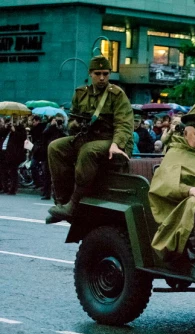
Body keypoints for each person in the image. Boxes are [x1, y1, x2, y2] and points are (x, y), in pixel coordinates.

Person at [46, 55, 133, 223]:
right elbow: (71, 121)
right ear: (90, 74)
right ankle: (62, 201)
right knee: (55, 147)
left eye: (106, 74)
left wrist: (117, 144)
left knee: (88, 151)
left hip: (113, 141)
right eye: (98, 73)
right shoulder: (80, 94)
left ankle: (74, 205)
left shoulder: (116, 95)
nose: (102, 78)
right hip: (88, 137)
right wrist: (75, 125)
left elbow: (124, 124)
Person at [148, 113, 195, 282]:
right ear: (185, 134)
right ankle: (194, 260)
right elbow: (163, 185)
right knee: (194, 202)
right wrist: (191, 190)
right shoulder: (177, 153)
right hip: (178, 206)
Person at [40, 114, 67, 199]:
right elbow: (44, 135)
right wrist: (51, 126)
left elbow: (66, 137)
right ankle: (46, 192)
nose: (58, 122)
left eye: (60, 120)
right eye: (57, 120)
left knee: (58, 175)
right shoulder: (50, 127)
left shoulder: (64, 128)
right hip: (48, 152)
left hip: (59, 153)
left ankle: (58, 194)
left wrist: (61, 129)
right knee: (46, 173)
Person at [0, 119, 26, 195]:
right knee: (3, 171)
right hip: (4, 152)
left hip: (13, 154)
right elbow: (1, 134)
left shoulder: (20, 128)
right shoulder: (7, 129)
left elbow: (22, 138)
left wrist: (14, 130)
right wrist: (5, 127)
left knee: (13, 171)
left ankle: (13, 189)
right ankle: (5, 187)